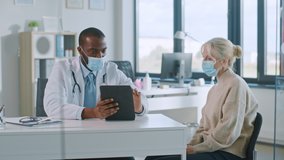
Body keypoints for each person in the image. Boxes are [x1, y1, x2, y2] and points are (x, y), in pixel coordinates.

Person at [145, 37, 258, 160]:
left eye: (209, 59)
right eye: (204, 58)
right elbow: (203, 125)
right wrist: (190, 145)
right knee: (151, 157)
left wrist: (197, 149)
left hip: (227, 152)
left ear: (224, 61)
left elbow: (227, 131)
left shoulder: (236, 84)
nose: (204, 62)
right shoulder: (214, 89)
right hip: (209, 147)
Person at [44, 27, 148, 120]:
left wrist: (138, 107)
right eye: (93, 51)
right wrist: (92, 113)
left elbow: (142, 100)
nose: (99, 56)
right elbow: (53, 107)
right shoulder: (63, 68)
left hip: (102, 131)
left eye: (103, 50)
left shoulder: (111, 70)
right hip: (72, 132)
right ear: (80, 50)